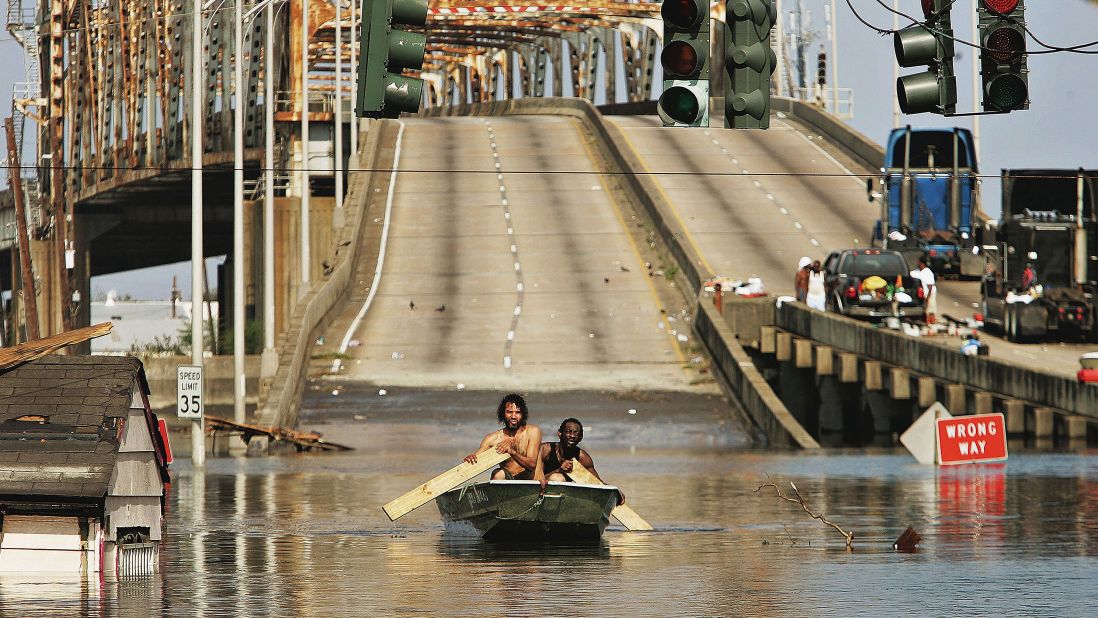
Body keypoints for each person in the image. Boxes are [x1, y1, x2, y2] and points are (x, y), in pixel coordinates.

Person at [540, 418, 624, 505]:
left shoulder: (582, 458)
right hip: (541, 491)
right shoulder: (546, 450)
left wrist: (614, 490)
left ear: (580, 438)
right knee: (557, 477)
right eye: (569, 432)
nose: (572, 436)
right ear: (560, 433)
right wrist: (559, 470)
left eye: (576, 433)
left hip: (563, 497)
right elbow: (534, 480)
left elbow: (597, 482)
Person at [464, 394, 544, 481]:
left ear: (523, 414)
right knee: (497, 473)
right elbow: (476, 461)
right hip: (511, 486)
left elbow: (531, 465)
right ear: (503, 413)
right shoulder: (492, 439)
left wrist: (511, 452)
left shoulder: (532, 432)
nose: (513, 416)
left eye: (517, 413)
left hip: (533, 486)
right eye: (509, 412)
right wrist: (470, 459)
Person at [911, 257, 937, 324]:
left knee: (930, 310)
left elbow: (930, 286)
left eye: (918, 262)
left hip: (930, 294)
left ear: (922, 263)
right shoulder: (916, 272)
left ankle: (931, 322)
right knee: (924, 310)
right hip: (921, 294)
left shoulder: (928, 272)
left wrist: (928, 297)